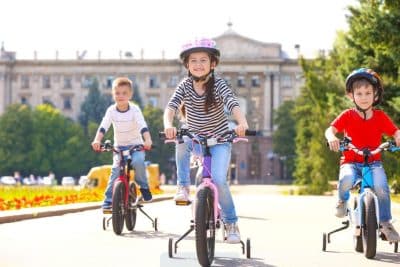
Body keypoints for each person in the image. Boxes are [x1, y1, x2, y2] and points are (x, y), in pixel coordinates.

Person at [163, 38, 249, 244]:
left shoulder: (218, 84)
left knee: (218, 180)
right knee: (181, 139)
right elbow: (171, 107)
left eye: (203, 60)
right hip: (196, 140)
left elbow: (232, 103)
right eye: (194, 60)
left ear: (213, 64)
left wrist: (242, 122)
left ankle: (231, 222)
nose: (198, 64)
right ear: (187, 65)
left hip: (219, 141)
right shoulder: (184, 85)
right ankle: (182, 187)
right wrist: (168, 124)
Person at [325, 68, 400, 242]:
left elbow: (395, 131)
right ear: (351, 96)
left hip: (373, 163)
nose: (364, 97)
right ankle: (342, 201)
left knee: (381, 187)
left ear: (375, 95)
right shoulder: (348, 115)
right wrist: (331, 137)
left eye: (368, 93)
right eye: (359, 93)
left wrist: (397, 136)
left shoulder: (380, 117)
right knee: (346, 180)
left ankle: (386, 223)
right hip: (350, 161)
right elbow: (331, 129)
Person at [92, 77, 153, 211]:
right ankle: (108, 201)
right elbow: (104, 126)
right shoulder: (111, 110)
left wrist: (147, 140)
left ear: (130, 95)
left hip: (136, 146)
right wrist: (97, 140)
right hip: (119, 147)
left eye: (124, 93)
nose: (121, 96)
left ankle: (143, 187)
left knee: (138, 162)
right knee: (115, 172)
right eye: (117, 93)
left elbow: (142, 125)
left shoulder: (135, 110)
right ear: (113, 94)